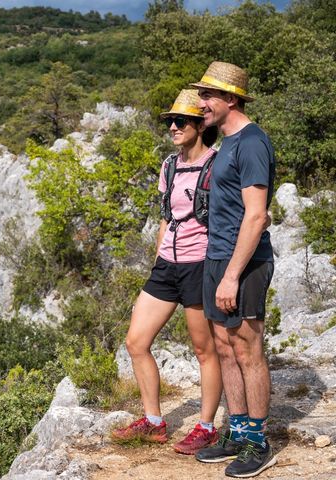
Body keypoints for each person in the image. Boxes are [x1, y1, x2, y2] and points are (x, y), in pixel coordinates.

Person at [111, 89, 223, 455]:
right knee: (136, 341)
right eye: (170, 121)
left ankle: (206, 426)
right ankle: (154, 421)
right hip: (166, 266)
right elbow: (166, 216)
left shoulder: (217, 164)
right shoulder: (169, 166)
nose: (173, 127)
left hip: (199, 266)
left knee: (205, 350)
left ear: (199, 125)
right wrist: (158, 258)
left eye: (180, 121)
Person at [191, 61, 276, 478]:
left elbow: (257, 216)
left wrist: (231, 275)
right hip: (217, 257)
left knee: (247, 349)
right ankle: (238, 431)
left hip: (243, 263)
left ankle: (259, 441)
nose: (200, 102)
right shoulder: (226, 143)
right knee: (224, 348)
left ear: (230, 98)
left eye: (207, 96)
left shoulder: (252, 142)